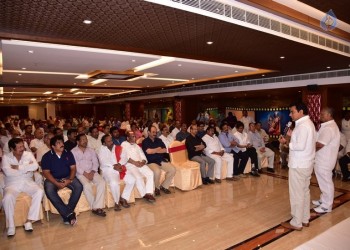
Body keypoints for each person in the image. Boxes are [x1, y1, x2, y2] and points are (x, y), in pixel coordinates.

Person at [279, 102, 316, 230]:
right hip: (306, 164)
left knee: (297, 194)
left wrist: (285, 143)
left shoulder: (303, 126)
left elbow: (300, 146)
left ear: (301, 112)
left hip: (299, 164)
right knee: (304, 192)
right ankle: (305, 219)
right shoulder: (308, 124)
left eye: (292, 112)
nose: (290, 114)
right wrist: (290, 139)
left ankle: (296, 222)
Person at [2, 138, 44, 237]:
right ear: (12, 149)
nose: (22, 148)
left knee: (39, 191)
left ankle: (29, 220)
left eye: (23, 146)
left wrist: (18, 167)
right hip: (12, 183)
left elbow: (35, 167)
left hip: (27, 181)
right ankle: (11, 226)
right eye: (19, 147)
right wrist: (26, 168)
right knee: (7, 197)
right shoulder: (6, 157)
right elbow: (7, 172)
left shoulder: (28, 154)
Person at [41, 135, 83, 226]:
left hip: (67, 176)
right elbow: (46, 173)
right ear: (53, 146)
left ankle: (67, 214)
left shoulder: (68, 153)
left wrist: (70, 179)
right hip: (53, 178)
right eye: (58, 143)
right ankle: (69, 214)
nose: (62, 144)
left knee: (79, 186)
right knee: (48, 189)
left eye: (62, 142)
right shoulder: (47, 156)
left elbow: (73, 168)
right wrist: (56, 183)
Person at [312, 107, 340, 214]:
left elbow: (319, 145)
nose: (320, 116)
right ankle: (323, 200)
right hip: (322, 159)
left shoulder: (329, 128)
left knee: (326, 182)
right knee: (323, 182)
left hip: (325, 160)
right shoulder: (327, 126)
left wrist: (308, 150)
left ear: (329, 115)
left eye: (322, 114)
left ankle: (326, 206)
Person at [72, 134, 106, 216]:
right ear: (78, 142)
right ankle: (94, 207)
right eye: (83, 140)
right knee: (86, 185)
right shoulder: (73, 151)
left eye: (86, 139)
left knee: (102, 182)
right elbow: (75, 165)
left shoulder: (91, 150)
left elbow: (95, 162)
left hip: (92, 172)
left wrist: (93, 172)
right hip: (80, 173)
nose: (85, 141)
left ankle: (97, 207)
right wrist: (85, 174)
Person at [98, 134, 134, 210]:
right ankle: (116, 202)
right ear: (104, 144)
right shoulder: (101, 149)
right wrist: (114, 166)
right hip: (109, 170)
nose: (111, 142)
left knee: (132, 180)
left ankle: (123, 197)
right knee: (114, 183)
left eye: (111, 140)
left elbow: (125, 157)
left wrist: (119, 164)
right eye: (108, 141)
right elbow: (103, 161)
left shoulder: (117, 147)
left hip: (120, 168)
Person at [120, 131, 156, 203]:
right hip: (131, 165)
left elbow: (142, 155)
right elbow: (124, 157)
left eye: (134, 136)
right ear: (127, 138)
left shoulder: (136, 145)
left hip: (140, 164)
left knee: (150, 173)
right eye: (132, 136)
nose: (134, 138)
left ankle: (149, 193)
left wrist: (143, 162)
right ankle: (144, 194)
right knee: (138, 177)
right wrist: (135, 163)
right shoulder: (124, 144)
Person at [142, 126, 176, 195]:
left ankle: (164, 186)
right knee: (157, 171)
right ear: (148, 132)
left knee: (173, 169)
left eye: (156, 132)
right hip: (151, 162)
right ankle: (156, 188)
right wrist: (158, 149)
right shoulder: (145, 141)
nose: (155, 134)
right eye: (153, 132)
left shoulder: (159, 140)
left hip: (161, 160)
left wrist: (154, 150)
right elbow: (148, 152)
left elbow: (164, 150)